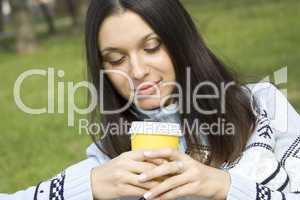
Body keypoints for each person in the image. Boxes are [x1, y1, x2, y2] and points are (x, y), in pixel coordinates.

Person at [1, 0, 300, 199]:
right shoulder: (111, 156)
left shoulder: (262, 106)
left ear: (180, 41)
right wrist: (89, 185)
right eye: (116, 59)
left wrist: (223, 186)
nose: (138, 71)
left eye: (152, 47)